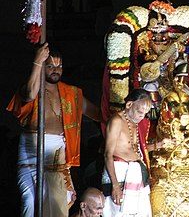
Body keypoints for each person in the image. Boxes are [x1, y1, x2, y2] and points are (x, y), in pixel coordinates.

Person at [6, 42, 102, 217]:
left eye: (59, 66)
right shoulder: (33, 89)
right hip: (31, 153)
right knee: (30, 201)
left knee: (62, 200)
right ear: (43, 67)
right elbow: (28, 94)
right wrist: (37, 62)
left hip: (58, 155)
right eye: (50, 66)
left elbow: (98, 114)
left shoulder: (71, 93)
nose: (56, 70)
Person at [101, 89, 152, 217]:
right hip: (119, 174)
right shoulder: (117, 120)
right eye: (140, 112)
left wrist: (160, 145)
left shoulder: (136, 123)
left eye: (145, 113)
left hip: (136, 174)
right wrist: (115, 185)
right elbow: (108, 154)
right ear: (129, 105)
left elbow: (136, 150)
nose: (142, 116)